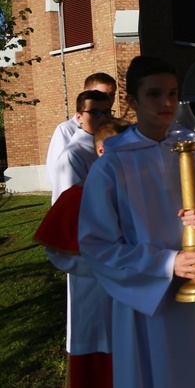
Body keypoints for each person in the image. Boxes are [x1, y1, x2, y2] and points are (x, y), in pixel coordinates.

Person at [78, 57, 195, 387]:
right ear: (132, 101)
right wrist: (169, 263)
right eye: (154, 94)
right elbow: (96, 246)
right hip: (148, 298)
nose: (166, 103)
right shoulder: (111, 165)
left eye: (172, 93)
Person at [35, 118, 130, 388]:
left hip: (131, 297)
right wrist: (106, 267)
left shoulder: (136, 191)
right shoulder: (78, 194)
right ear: (101, 151)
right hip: (92, 297)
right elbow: (56, 251)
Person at [46, 73, 117, 186]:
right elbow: (57, 175)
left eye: (111, 95)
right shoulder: (66, 130)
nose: (108, 99)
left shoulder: (114, 128)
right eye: (102, 94)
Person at [50, 90, 113, 203]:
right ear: (79, 118)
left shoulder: (113, 145)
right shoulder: (73, 154)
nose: (103, 118)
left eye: (107, 112)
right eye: (95, 113)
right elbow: (68, 202)